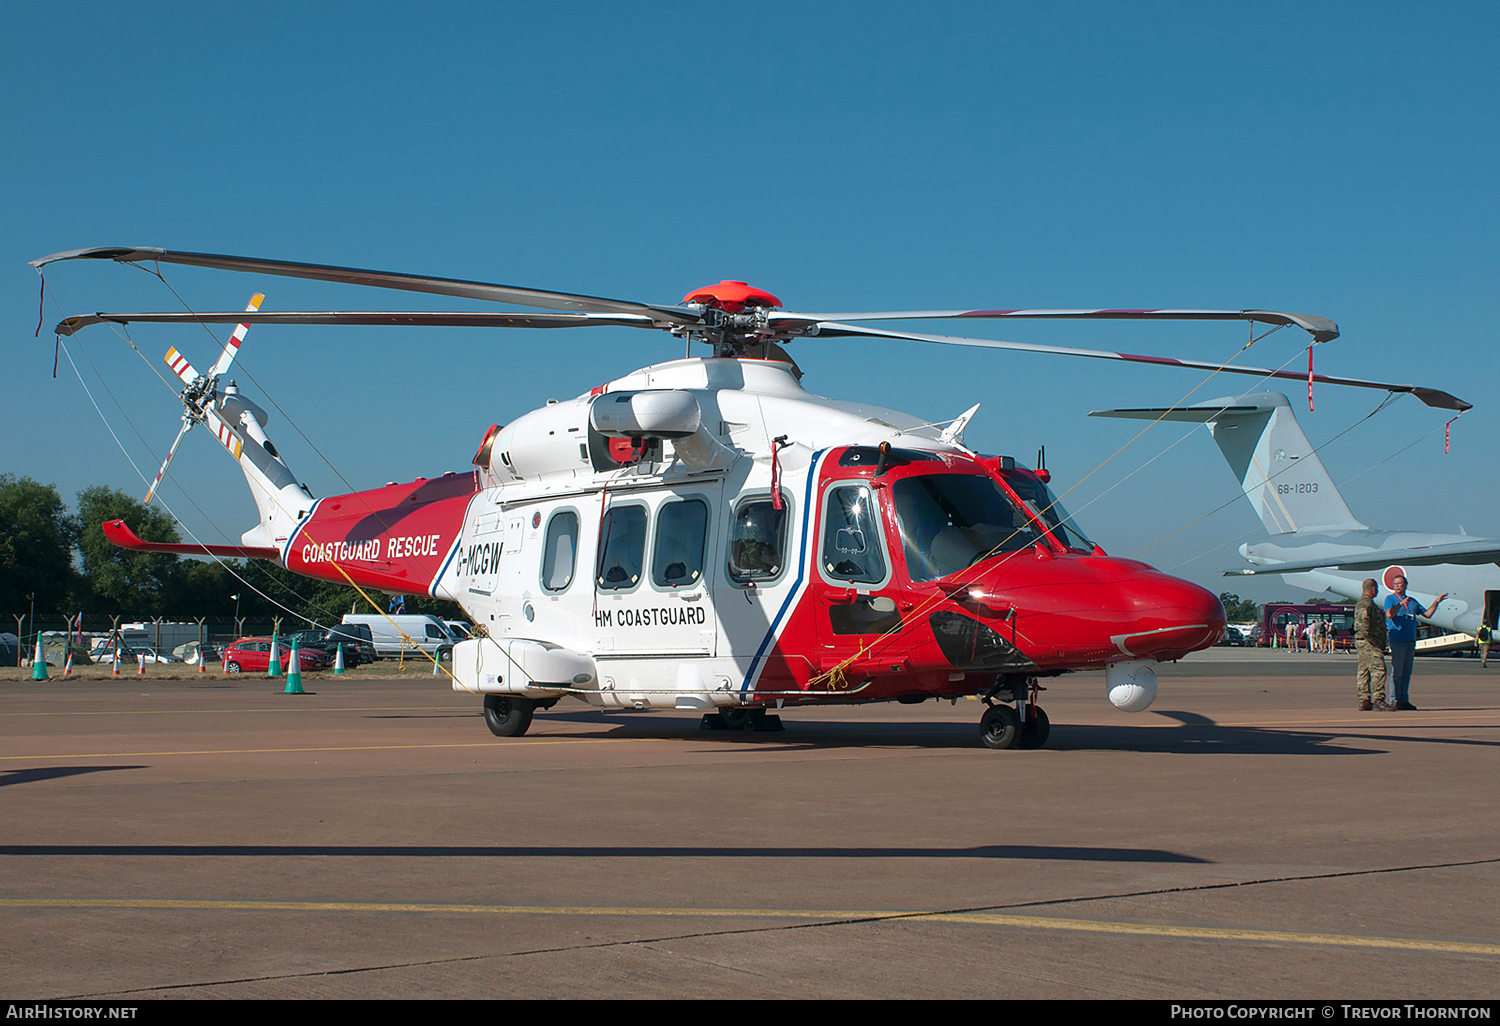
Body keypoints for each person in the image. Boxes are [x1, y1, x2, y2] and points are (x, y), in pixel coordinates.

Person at [1383, 575, 1448, 711]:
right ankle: (1394, 700)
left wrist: (1436, 602)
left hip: (1410, 640)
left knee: (1406, 671)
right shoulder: (1390, 599)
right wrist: (1400, 604)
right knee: (1397, 670)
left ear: (1405, 585)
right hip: (1397, 639)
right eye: (1395, 584)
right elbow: (1389, 614)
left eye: (1400, 583)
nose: (1397, 586)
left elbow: (1427, 614)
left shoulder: (1412, 601)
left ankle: (1404, 699)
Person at [1354, 578, 1391, 711]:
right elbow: (1363, 621)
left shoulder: (1365, 602)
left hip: (1364, 641)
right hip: (1368, 642)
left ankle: (1364, 700)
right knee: (1379, 668)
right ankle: (1378, 699)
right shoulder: (1366, 603)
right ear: (1373, 589)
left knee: (1364, 670)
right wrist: (1369, 637)